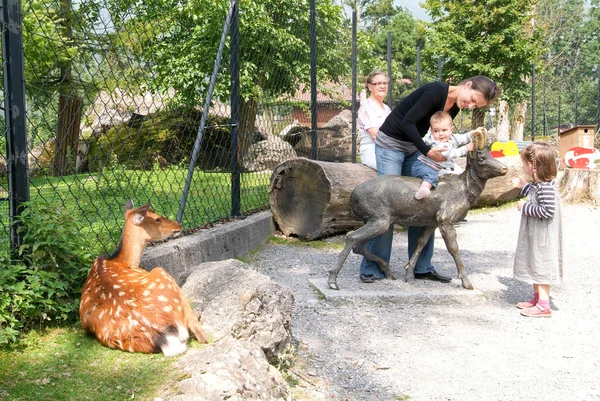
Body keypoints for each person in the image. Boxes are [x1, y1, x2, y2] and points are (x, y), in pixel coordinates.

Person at [359, 75, 501, 284]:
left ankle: (421, 267)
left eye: (475, 105)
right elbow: (408, 122)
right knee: (386, 201)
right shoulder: (436, 91)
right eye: (472, 99)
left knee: (425, 201)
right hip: (391, 144)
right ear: (467, 85)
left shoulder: (454, 107)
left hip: (413, 148)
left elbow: (438, 134)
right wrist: (427, 151)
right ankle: (373, 267)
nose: (470, 106)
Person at [512, 142, 563, 318]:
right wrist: (524, 186)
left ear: (533, 166)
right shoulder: (539, 184)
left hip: (543, 236)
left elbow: (547, 210)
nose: (522, 166)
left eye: (524, 163)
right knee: (535, 262)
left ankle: (544, 305)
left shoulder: (546, 187)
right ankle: (537, 298)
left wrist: (524, 207)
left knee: (541, 266)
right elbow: (535, 194)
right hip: (537, 233)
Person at [411, 111, 475, 199]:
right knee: (432, 175)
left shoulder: (452, 137)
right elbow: (451, 154)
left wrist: (472, 133)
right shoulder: (437, 143)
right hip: (422, 166)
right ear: (431, 131)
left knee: (458, 173)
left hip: (437, 167)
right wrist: (465, 149)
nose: (441, 134)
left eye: (444, 130)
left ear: (451, 130)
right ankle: (423, 190)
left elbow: (463, 138)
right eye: (436, 131)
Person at [357, 70, 392, 170]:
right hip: (373, 151)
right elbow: (375, 135)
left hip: (388, 150)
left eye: (385, 83)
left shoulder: (387, 109)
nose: (382, 86)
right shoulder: (366, 107)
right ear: (369, 86)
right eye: (378, 83)